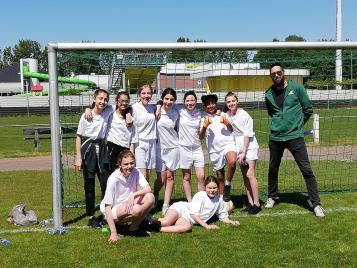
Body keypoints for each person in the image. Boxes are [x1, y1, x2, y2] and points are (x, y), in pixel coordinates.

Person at [265, 62, 325, 217]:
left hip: (295, 137)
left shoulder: (297, 88)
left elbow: (308, 109)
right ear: (271, 76)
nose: (276, 75)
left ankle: (316, 204)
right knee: (273, 168)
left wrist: (298, 126)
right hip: (276, 137)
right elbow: (272, 114)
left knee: (306, 169)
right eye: (273, 74)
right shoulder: (268, 94)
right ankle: (272, 196)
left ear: (283, 73)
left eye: (278, 73)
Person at [75, 89, 112, 228]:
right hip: (89, 151)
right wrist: (78, 157)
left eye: (105, 99)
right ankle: (91, 216)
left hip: (102, 150)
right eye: (100, 98)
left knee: (105, 184)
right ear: (94, 98)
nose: (103, 101)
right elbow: (78, 137)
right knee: (89, 184)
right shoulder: (85, 116)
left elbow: (124, 105)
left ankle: (104, 214)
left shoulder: (108, 111)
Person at [100, 150, 155, 242]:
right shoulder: (113, 179)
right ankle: (118, 226)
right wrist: (113, 233)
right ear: (119, 164)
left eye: (132, 163)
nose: (129, 166)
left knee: (150, 198)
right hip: (113, 210)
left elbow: (148, 189)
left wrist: (133, 195)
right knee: (137, 209)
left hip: (128, 203)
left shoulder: (136, 171)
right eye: (126, 164)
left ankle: (133, 229)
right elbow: (107, 206)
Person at [157, 176, 240, 233]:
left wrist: (231, 222)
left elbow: (223, 216)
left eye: (214, 188)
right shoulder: (200, 195)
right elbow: (193, 215)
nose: (212, 190)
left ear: (218, 188)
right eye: (209, 188)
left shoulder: (218, 200)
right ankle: (147, 222)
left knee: (187, 228)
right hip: (181, 209)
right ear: (205, 187)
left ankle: (158, 229)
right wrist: (207, 226)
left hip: (186, 218)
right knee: (165, 222)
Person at [224, 92, 261, 215]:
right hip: (238, 146)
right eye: (228, 102)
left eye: (233, 101)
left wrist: (244, 152)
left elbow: (247, 135)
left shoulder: (244, 115)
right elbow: (224, 121)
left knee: (250, 174)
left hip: (249, 146)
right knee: (245, 176)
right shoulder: (228, 114)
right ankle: (250, 203)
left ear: (237, 101)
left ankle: (257, 203)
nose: (231, 103)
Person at [199, 94, 237, 202]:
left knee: (232, 162)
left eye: (213, 103)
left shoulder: (223, 114)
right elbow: (201, 137)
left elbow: (231, 129)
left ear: (216, 103)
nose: (211, 105)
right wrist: (204, 127)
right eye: (208, 103)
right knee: (220, 176)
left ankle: (228, 185)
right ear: (205, 105)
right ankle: (222, 200)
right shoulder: (203, 118)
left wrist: (226, 123)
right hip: (214, 150)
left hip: (228, 144)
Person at [153, 88, 180, 215]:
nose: (169, 102)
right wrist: (158, 106)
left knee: (170, 177)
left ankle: (165, 205)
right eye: (166, 99)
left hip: (173, 148)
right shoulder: (156, 110)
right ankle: (155, 195)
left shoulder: (177, 111)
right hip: (159, 148)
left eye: (172, 99)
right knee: (161, 178)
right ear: (162, 99)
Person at [178, 90, 205, 201]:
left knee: (201, 176)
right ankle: (190, 201)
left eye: (192, 100)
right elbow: (164, 103)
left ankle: (201, 201)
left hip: (197, 148)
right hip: (184, 148)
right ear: (184, 102)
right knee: (186, 176)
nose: (190, 103)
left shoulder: (199, 114)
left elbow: (201, 136)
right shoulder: (179, 111)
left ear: (196, 101)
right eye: (187, 101)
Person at [131, 84, 159, 182]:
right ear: (139, 95)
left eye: (149, 93)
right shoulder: (134, 108)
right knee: (141, 175)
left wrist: (159, 106)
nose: (146, 96)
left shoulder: (152, 107)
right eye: (143, 93)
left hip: (152, 143)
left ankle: (145, 196)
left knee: (147, 176)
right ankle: (139, 196)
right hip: (140, 143)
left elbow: (161, 102)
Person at [106, 91, 137, 174]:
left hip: (125, 150)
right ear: (117, 101)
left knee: (126, 176)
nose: (124, 103)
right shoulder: (110, 113)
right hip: (112, 148)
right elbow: (96, 108)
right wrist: (88, 109)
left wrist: (131, 155)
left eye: (126, 101)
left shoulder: (131, 118)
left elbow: (133, 139)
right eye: (121, 101)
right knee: (113, 176)